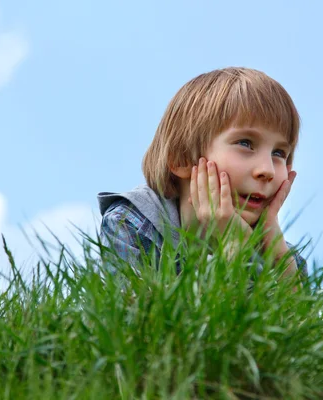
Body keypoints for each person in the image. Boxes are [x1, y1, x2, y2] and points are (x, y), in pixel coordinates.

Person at [97, 67, 307, 279]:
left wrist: (281, 263)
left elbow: (295, 313)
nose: (267, 170)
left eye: (279, 153)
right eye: (245, 143)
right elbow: (135, 310)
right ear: (182, 158)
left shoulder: (285, 257)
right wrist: (234, 247)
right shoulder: (131, 225)